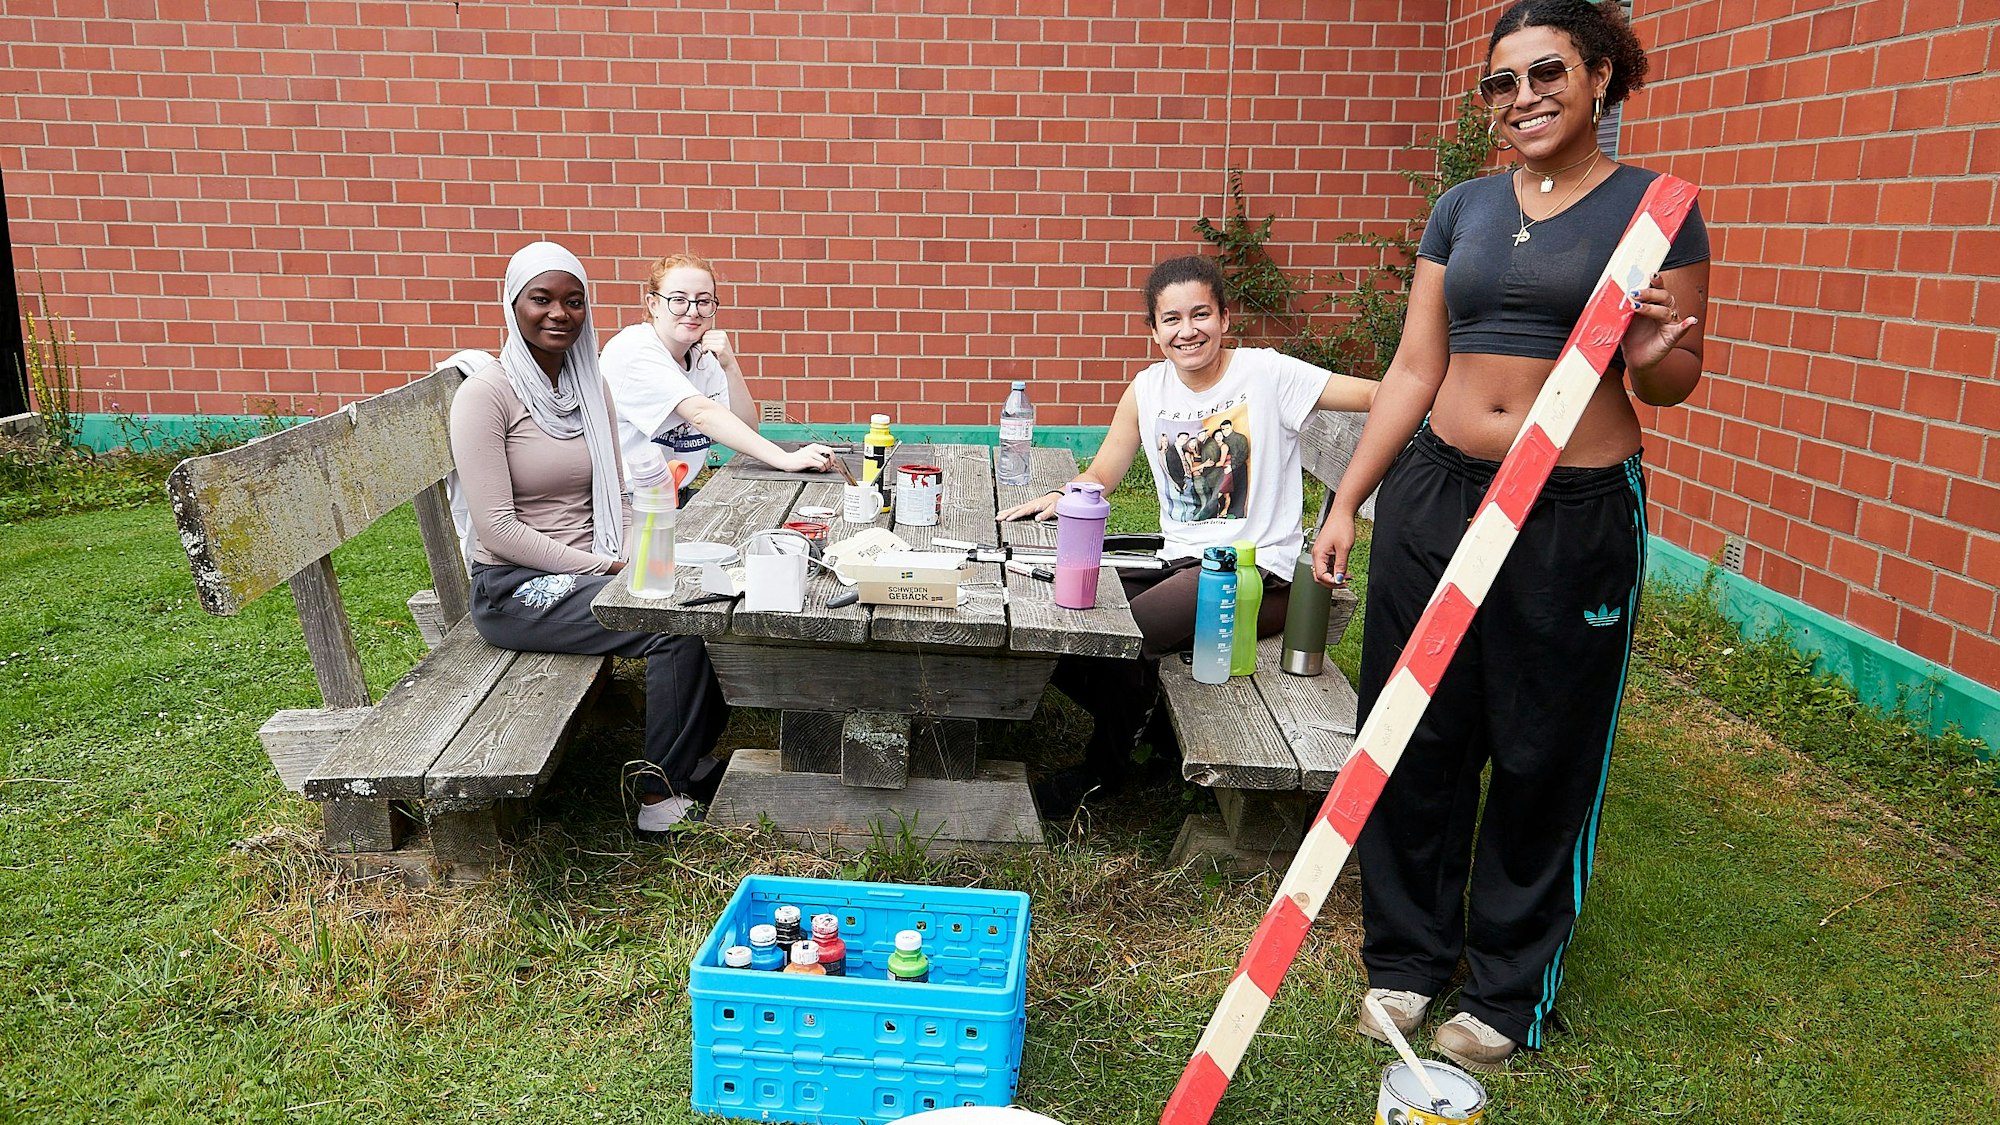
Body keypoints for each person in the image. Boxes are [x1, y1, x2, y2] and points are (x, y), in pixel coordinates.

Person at [1307, 0, 1710, 1073]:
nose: (1521, 98)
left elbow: (1666, 383)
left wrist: (1661, 344)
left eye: (1546, 74)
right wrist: (1348, 499)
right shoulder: (1463, 208)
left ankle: (1503, 988)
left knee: (1543, 746)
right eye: (1500, 82)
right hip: (1437, 494)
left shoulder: (1654, 211)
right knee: (1412, 729)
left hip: (1568, 511)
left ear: (1599, 80)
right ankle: (1403, 954)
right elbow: (1412, 367)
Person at [1001, 255, 1377, 813]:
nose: (1188, 330)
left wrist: (1453, 406)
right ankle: (1157, 735)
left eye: (1200, 314)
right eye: (1171, 319)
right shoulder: (1148, 390)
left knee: (1123, 636)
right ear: (1154, 332)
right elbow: (1105, 469)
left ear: (1225, 318)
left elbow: (1381, 395)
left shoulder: (1267, 374)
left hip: (1260, 574)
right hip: (1182, 563)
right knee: (1057, 615)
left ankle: (1102, 774)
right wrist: (1068, 495)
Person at [448, 241, 730, 834]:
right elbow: (498, 530)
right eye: (541, 299)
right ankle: (658, 796)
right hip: (515, 588)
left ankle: (691, 755)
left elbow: (622, 493)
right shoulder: (485, 396)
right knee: (668, 630)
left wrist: (639, 552)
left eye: (573, 301)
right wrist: (603, 568)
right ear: (512, 305)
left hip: (590, 563)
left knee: (704, 598)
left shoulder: (587, 387)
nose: (558, 313)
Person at [600, 252, 835, 487]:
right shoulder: (634, 349)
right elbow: (701, 414)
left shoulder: (701, 355)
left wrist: (730, 366)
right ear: (653, 304)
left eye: (703, 301)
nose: (693, 311)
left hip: (671, 501)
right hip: (625, 504)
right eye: (679, 300)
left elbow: (747, 430)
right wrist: (785, 459)